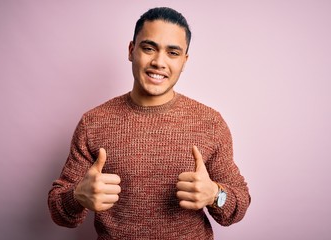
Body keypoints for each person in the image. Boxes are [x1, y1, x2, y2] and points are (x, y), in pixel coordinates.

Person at [48, 7, 251, 239]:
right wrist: (76, 196)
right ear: (131, 50)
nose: (159, 62)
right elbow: (58, 209)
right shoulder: (93, 123)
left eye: (172, 53)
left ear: (184, 61)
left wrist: (215, 194)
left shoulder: (210, 123)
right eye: (148, 48)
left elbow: (239, 204)